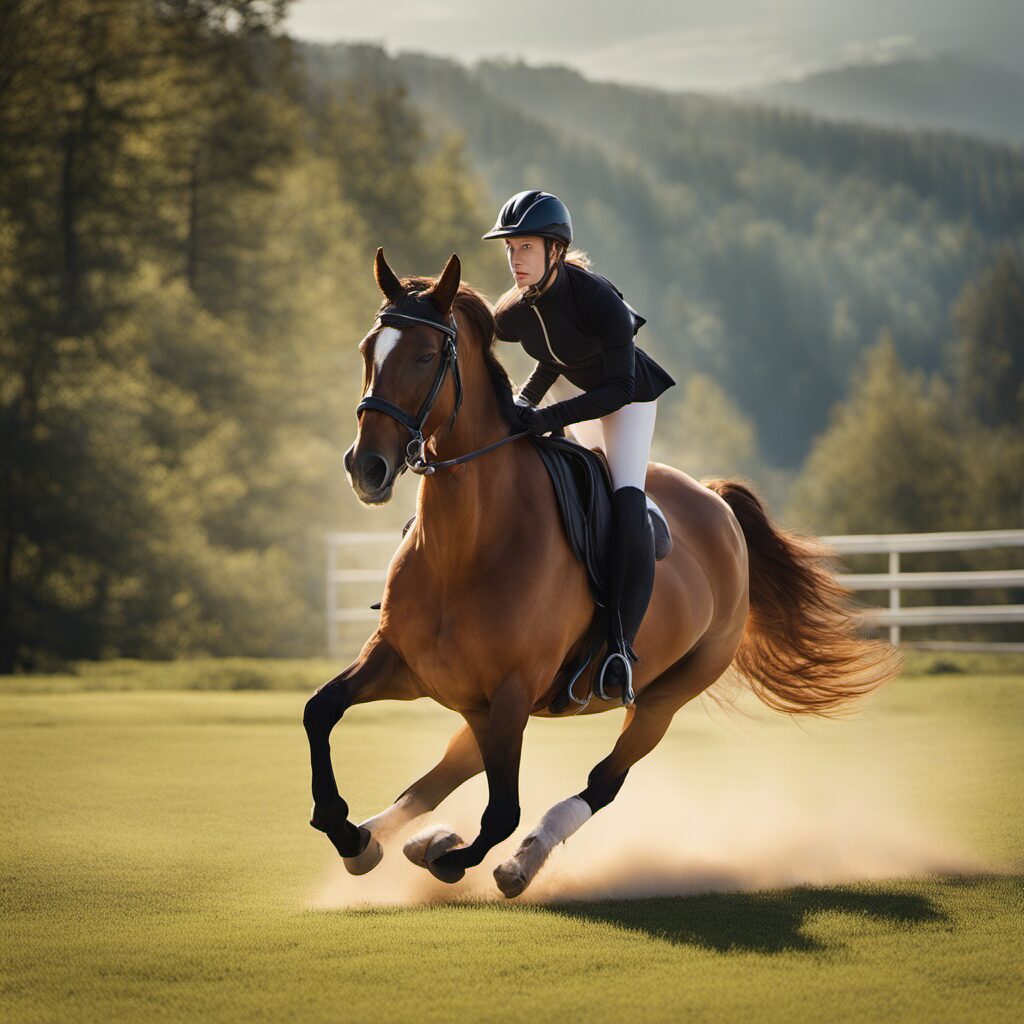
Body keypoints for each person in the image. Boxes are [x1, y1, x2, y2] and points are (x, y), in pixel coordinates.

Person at [485, 189, 676, 703]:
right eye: (510, 249)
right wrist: (520, 404)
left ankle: (619, 646)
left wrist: (544, 416)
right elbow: (553, 356)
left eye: (525, 247)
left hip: (628, 401)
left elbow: (616, 387)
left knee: (624, 501)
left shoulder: (598, 300)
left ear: (556, 251)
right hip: (576, 398)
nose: (515, 259)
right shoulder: (514, 310)